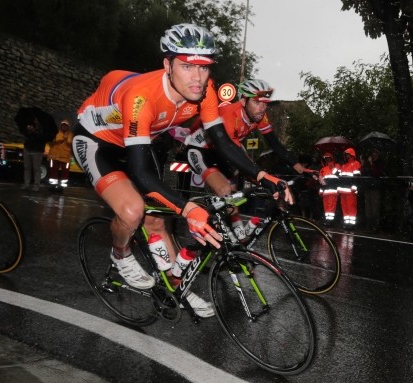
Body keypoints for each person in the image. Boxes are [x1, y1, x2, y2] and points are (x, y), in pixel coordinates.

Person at [71, 24, 288, 318]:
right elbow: (141, 174)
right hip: (99, 142)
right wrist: (188, 211)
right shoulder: (141, 96)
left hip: (140, 140)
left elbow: (222, 143)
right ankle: (119, 254)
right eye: (187, 67)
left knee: (158, 220)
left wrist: (261, 175)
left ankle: (178, 288)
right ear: (167, 64)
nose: (197, 78)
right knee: (134, 209)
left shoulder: (205, 92)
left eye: (204, 68)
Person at [182, 78, 312, 239]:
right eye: (257, 102)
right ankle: (205, 229)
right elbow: (232, 153)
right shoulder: (230, 115)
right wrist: (264, 178)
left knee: (234, 199)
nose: (262, 108)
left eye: (265, 103)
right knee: (225, 190)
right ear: (243, 101)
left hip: (224, 150)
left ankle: (237, 238)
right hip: (199, 150)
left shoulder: (259, 116)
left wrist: (298, 166)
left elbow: (276, 145)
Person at [361, 148, 386, 231]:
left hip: (375, 187)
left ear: (378, 154)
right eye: (372, 153)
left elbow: (377, 173)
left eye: (375, 153)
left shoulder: (380, 163)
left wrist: (372, 164)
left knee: (375, 208)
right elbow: (363, 173)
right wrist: (363, 164)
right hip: (367, 187)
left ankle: (376, 226)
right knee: (368, 208)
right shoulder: (367, 163)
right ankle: (369, 225)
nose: (373, 154)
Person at [22, 117, 49, 192]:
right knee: (27, 167)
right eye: (35, 120)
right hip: (28, 148)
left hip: (37, 150)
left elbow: (41, 138)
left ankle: (36, 185)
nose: (36, 122)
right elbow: (25, 135)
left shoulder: (43, 129)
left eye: (37, 120)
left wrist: (33, 132)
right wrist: (29, 131)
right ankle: (26, 184)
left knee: (36, 168)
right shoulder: (30, 127)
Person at [338, 147, 362, 228]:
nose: (347, 156)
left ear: (352, 155)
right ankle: (346, 223)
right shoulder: (344, 165)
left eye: (348, 154)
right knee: (344, 207)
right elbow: (340, 178)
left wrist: (354, 186)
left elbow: (357, 177)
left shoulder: (356, 163)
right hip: (343, 190)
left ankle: (351, 224)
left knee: (351, 207)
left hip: (350, 190)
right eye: (346, 155)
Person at [47, 119, 74, 190]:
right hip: (54, 156)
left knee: (65, 173)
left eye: (66, 126)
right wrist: (60, 139)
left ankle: (62, 187)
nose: (64, 127)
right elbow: (50, 142)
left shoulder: (70, 134)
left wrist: (67, 138)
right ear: (61, 126)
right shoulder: (55, 133)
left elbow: (71, 143)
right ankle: (53, 186)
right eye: (63, 125)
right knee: (53, 171)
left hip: (65, 157)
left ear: (68, 127)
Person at [318, 152, 340, 225]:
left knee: (331, 207)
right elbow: (321, 181)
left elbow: (339, 178)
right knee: (326, 207)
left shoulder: (337, 166)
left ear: (331, 158)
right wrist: (321, 191)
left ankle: (330, 221)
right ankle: (327, 220)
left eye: (328, 158)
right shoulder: (323, 169)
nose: (327, 160)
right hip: (325, 192)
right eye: (325, 159)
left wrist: (333, 168)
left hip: (333, 191)